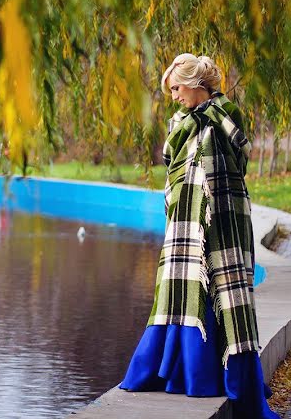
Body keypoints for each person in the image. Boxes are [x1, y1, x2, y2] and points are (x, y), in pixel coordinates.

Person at [119, 54, 279, 419]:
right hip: (184, 223)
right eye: (171, 89)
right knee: (183, 287)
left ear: (195, 83)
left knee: (225, 293)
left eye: (177, 87)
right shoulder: (179, 123)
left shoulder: (225, 118)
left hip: (222, 220)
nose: (173, 95)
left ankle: (230, 376)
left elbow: (234, 168)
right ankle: (181, 372)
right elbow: (173, 170)